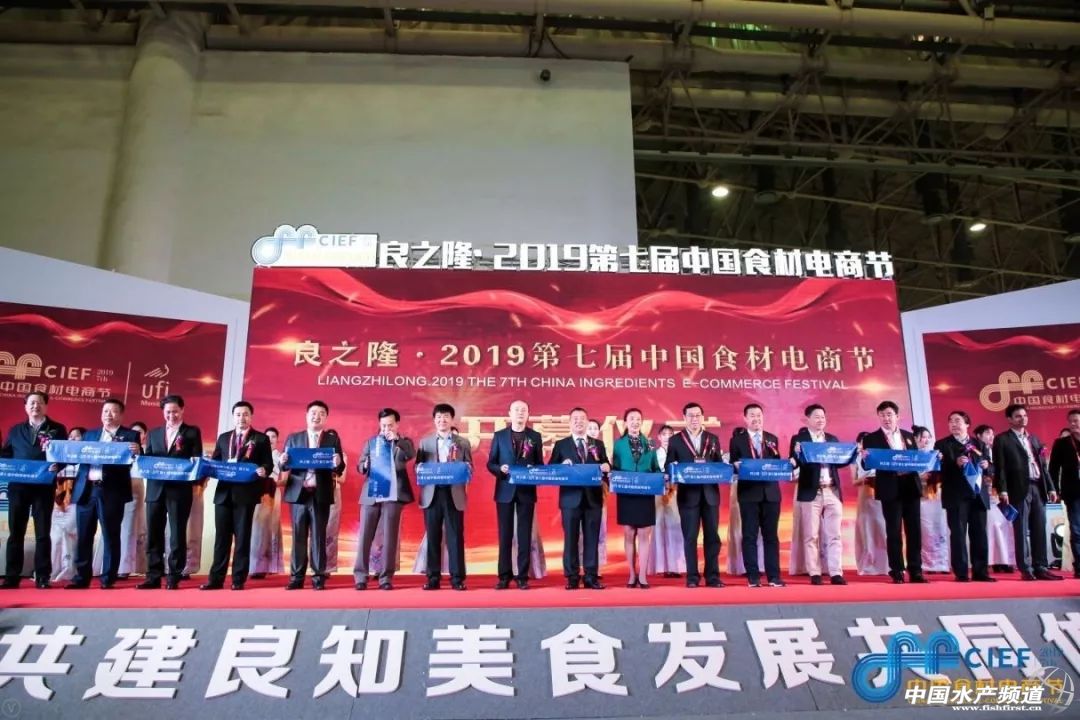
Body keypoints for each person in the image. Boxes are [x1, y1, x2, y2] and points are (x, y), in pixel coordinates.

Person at [66, 399, 142, 589]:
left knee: (110, 535)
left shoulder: (130, 435)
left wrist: (138, 451)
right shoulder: (89, 435)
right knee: (84, 535)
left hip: (111, 491)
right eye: (105, 411)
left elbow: (135, 460)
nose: (108, 414)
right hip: (86, 489)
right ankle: (81, 578)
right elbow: (76, 457)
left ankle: (108, 578)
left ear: (121, 415)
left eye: (113, 411)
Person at [202, 401, 274, 591]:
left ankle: (238, 579)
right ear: (233, 416)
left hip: (246, 494)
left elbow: (268, 464)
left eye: (245, 414)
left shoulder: (261, 439)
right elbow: (216, 462)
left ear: (251, 416)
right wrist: (207, 464)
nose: (242, 418)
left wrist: (264, 470)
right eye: (238, 414)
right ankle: (215, 579)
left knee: (242, 538)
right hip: (223, 494)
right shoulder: (224, 438)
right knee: (221, 538)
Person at [1, 391, 66, 589]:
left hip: (43, 487)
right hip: (18, 487)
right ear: (25, 407)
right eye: (31, 403)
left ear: (45, 406)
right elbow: (6, 454)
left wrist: (59, 465)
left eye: (39, 403)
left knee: (43, 533)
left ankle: (43, 576)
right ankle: (12, 577)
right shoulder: (15, 430)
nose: (35, 406)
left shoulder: (57, 429)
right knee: (16, 532)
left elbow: (65, 454)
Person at [139, 394, 202, 590]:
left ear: (182, 410)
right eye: (168, 412)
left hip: (179, 491)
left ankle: (174, 576)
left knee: (177, 534)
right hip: (155, 490)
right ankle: (153, 576)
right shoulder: (154, 433)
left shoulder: (192, 432)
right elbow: (148, 459)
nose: (171, 415)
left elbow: (197, 458)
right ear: (163, 412)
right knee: (153, 534)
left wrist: (195, 463)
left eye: (175, 411)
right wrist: (138, 455)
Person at [281, 400, 345, 590]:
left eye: (321, 413)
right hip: (298, 494)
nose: (317, 416)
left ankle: (318, 578)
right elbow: (284, 466)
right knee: (298, 537)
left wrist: (338, 462)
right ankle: (296, 578)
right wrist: (283, 461)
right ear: (307, 415)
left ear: (326, 417)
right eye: (313, 413)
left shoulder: (332, 440)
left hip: (320, 493)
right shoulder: (294, 438)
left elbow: (339, 468)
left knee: (318, 537)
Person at [995, 404, 1062, 581]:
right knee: (1021, 529)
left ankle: (1041, 567)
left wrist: (1051, 487)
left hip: (1038, 486)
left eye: (1024, 415)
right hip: (1018, 488)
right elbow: (1000, 468)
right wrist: (1003, 489)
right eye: (1018, 416)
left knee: (1039, 528)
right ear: (1009, 419)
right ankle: (1026, 568)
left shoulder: (1034, 439)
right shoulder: (1002, 439)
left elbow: (1043, 466)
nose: (1022, 419)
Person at [861, 401, 925, 584]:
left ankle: (916, 570)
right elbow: (867, 465)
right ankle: (897, 570)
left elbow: (916, 460)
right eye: (882, 415)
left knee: (914, 530)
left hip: (910, 486)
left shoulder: (909, 436)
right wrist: (864, 459)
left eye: (889, 414)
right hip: (890, 487)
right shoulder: (871, 438)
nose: (886, 418)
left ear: (897, 416)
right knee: (893, 530)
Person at [549, 407, 610, 590]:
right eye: (575, 419)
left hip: (593, 498)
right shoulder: (561, 445)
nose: (578, 421)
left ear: (587, 421)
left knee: (592, 539)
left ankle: (591, 576)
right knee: (571, 539)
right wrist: (562, 465)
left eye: (582, 418)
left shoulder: (597, 444)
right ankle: (572, 576)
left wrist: (607, 467)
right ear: (570, 423)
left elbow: (606, 466)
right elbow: (551, 469)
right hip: (570, 499)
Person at [665, 402, 725, 588]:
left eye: (698, 415)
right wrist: (672, 470)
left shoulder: (712, 439)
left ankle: (713, 576)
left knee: (712, 537)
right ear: (684, 418)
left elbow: (719, 464)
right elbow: (668, 465)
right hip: (688, 496)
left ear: (702, 417)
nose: (694, 419)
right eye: (690, 415)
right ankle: (692, 577)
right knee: (690, 537)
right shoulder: (676, 440)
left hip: (710, 495)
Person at [354, 408, 415, 591]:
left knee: (390, 537)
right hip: (372, 493)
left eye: (390, 425)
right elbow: (360, 466)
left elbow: (410, 454)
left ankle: (386, 577)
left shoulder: (404, 443)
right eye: (383, 426)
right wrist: (365, 464)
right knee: (365, 536)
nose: (386, 429)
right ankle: (360, 576)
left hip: (393, 495)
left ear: (397, 424)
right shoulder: (371, 442)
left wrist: (397, 441)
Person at [488, 400, 544, 590]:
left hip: (526, 491)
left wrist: (533, 469)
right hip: (504, 490)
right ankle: (504, 576)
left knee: (524, 535)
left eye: (524, 410)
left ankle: (522, 576)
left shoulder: (535, 436)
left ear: (528, 414)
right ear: (509, 413)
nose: (520, 413)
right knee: (505, 535)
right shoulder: (499, 436)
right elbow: (491, 463)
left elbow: (540, 464)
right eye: (517, 410)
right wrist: (500, 469)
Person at [416, 403, 472, 591]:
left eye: (446, 416)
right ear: (434, 420)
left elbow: (469, 467)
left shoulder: (462, 443)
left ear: (452, 419)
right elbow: (419, 468)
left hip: (453, 493)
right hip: (432, 494)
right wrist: (419, 469)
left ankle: (457, 578)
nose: (442, 420)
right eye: (439, 417)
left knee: (455, 536)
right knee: (433, 536)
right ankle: (433, 577)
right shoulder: (425, 443)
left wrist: (466, 469)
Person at [790, 403, 848, 586]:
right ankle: (814, 572)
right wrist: (796, 455)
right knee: (811, 535)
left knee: (835, 534)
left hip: (832, 490)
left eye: (823, 417)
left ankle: (836, 572)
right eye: (816, 417)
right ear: (807, 419)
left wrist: (852, 454)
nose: (820, 420)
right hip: (811, 491)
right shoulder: (799, 439)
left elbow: (840, 462)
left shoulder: (832, 439)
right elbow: (795, 462)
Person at [935, 410, 994, 583]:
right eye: (951, 421)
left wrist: (987, 466)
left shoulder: (979, 443)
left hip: (978, 495)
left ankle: (981, 572)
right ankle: (961, 573)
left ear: (967, 424)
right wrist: (955, 463)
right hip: (956, 496)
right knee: (958, 535)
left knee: (980, 534)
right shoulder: (942, 444)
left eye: (958, 421)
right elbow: (937, 469)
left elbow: (991, 467)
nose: (954, 424)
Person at [729, 403, 785, 588]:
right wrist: (735, 465)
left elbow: (777, 464)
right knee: (749, 535)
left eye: (759, 415)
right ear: (745, 418)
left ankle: (774, 576)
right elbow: (732, 465)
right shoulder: (737, 440)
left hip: (771, 493)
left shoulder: (771, 439)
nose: (756, 419)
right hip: (749, 493)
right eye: (752, 415)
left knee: (771, 536)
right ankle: (753, 576)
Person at [612, 408, 659, 588]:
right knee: (629, 533)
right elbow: (615, 468)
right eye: (631, 419)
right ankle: (632, 574)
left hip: (645, 492)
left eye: (638, 419)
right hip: (627, 493)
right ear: (625, 422)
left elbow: (655, 467)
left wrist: (661, 476)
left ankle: (643, 575)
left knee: (645, 534)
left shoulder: (650, 443)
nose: (635, 422)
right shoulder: (619, 444)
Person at [50, 427, 85, 584]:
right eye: (70, 436)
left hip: (76, 503)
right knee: (55, 538)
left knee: (72, 537)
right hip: (58, 504)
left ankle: (70, 570)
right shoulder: (59, 458)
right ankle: (53, 570)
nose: (72, 439)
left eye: (77, 436)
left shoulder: (86, 461)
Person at [249, 426, 285, 578]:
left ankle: (268, 565)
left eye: (273, 436)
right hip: (257, 493)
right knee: (256, 528)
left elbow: (285, 479)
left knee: (271, 528)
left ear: (277, 439)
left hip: (272, 493)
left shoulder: (281, 456)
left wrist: (273, 483)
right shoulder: (258, 454)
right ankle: (254, 565)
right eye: (267, 436)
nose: (270, 439)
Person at [649, 425, 684, 578]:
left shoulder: (678, 455)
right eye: (664, 434)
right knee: (657, 526)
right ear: (659, 437)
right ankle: (660, 565)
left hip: (674, 492)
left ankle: (675, 566)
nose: (667, 437)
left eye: (670, 434)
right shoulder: (653, 454)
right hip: (657, 492)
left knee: (675, 526)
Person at [1049, 409, 1080, 579]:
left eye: (1077, 420)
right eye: (1071, 421)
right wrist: (1054, 489)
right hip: (1073, 492)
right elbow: (1053, 469)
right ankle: (1079, 566)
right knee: (1076, 529)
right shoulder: (1061, 443)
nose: (1074, 424)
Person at [852, 431, 888, 575]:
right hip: (865, 496)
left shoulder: (880, 457)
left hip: (881, 494)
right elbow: (854, 481)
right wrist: (865, 479)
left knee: (883, 528)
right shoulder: (855, 459)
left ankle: (886, 565)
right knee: (866, 530)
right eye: (863, 442)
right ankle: (868, 565)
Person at [915, 426, 950, 573]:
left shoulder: (935, 455)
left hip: (937, 496)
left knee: (941, 528)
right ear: (915, 439)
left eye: (928, 437)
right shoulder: (912, 456)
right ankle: (928, 564)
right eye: (923, 437)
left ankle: (943, 563)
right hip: (921, 498)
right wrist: (919, 477)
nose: (926, 440)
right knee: (926, 531)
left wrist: (942, 461)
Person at [117, 421, 148, 579]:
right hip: (118, 488)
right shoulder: (122, 448)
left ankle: (125, 566)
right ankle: (109, 564)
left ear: (145, 435)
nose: (136, 435)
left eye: (140, 432)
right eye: (133, 432)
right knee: (116, 526)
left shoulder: (147, 450)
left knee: (131, 527)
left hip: (136, 488)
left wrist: (140, 452)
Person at [585, 418, 610, 572]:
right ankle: (581, 565)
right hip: (580, 494)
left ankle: (597, 566)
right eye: (590, 428)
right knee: (581, 532)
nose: (593, 431)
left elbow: (608, 467)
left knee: (600, 530)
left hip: (598, 494)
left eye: (595, 428)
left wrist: (607, 467)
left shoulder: (600, 446)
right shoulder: (577, 447)